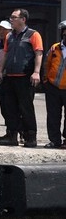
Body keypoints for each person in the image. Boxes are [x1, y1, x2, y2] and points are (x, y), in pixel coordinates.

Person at [0, 8, 43, 147]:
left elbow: (38, 54)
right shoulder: (9, 36)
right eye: (11, 17)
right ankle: (11, 135)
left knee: (26, 108)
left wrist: (36, 72)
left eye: (14, 17)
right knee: (10, 108)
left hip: (25, 77)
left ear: (23, 19)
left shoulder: (33, 35)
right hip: (10, 76)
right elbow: (5, 54)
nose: (11, 19)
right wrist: (0, 71)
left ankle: (30, 136)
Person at [42, 20, 66, 149]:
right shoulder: (55, 48)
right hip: (53, 87)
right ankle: (54, 140)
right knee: (53, 115)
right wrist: (46, 81)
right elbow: (47, 64)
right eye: (64, 33)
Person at [0, 20, 12, 134]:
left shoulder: (13, 43)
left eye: (4, 29)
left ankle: (18, 131)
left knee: (13, 107)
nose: (1, 31)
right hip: (1, 79)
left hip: (12, 78)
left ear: (10, 30)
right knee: (4, 107)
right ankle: (9, 130)